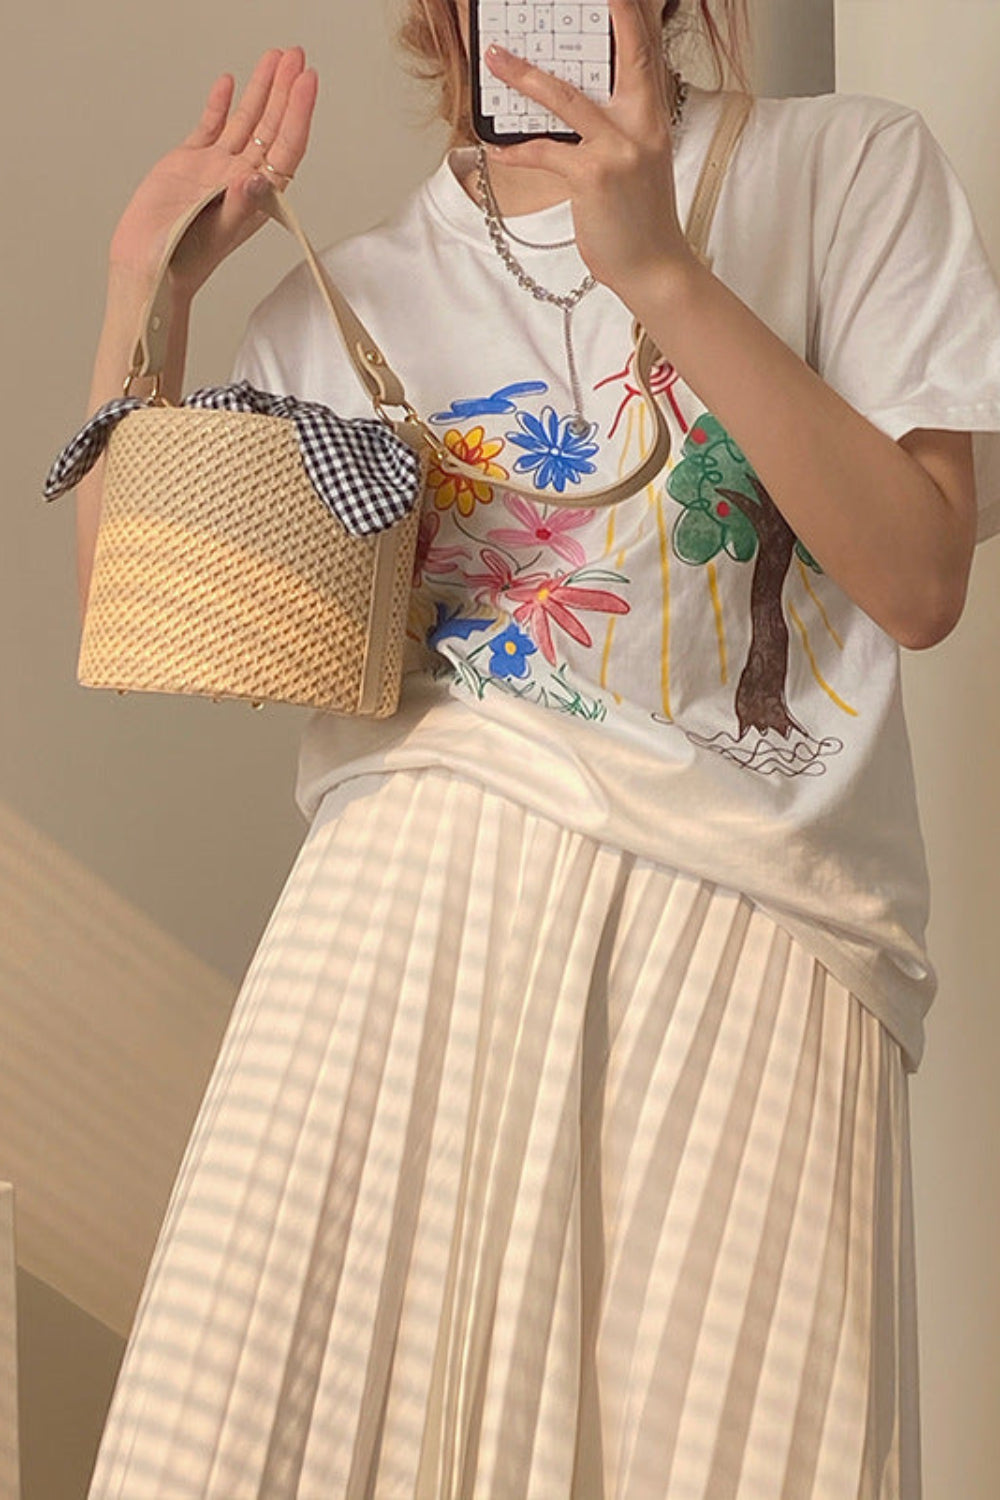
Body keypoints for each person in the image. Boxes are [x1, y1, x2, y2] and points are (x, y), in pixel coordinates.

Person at [75, 1, 1000, 1495]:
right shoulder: (355, 290)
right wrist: (146, 292)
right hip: (396, 924)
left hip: (757, 933)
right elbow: (147, 622)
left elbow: (921, 578)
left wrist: (665, 273)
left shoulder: (848, 172)